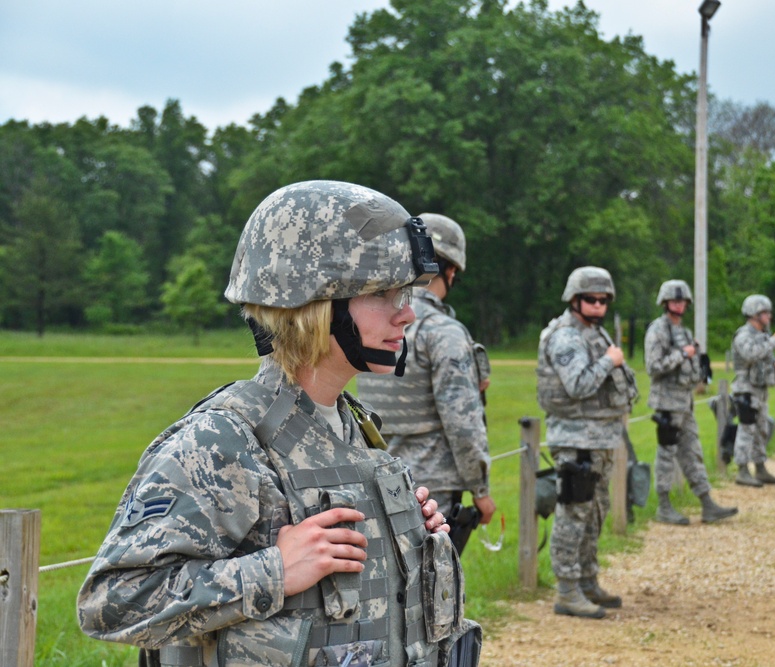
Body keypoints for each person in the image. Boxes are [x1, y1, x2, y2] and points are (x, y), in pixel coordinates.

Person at [78, 181, 481, 667]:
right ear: (315, 304)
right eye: (387, 294)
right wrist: (274, 572)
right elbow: (111, 602)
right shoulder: (223, 442)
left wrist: (410, 542)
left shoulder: (353, 427)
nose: (408, 313)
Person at [356, 213, 495, 555]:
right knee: (435, 582)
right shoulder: (443, 332)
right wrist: (480, 489)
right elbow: (462, 423)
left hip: (378, 475)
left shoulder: (370, 320)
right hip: (433, 489)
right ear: (449, 271)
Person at [536, 266, 638, 619]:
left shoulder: (592, 331)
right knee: (574, 512)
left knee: (595, 512)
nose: (598, 306)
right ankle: (566, 590)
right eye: (591, 300)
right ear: (575, 299)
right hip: (576, 438)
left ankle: (587, 580)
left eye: (603, 300)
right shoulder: (566, 336)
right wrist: (610, 361)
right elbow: (578, 384)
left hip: (599, 437)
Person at [644, 279, 738, 524]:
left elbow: (689, 364)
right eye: (675, 301)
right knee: (666, 453)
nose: (679, 304)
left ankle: (707, 503)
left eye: (683, 300)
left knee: (692, 451)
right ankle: (663, 505)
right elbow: (653, 367)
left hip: (685, 402)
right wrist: (683, 354)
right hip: (666, 402)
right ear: (665, 302)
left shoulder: (684, 331)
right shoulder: (658, 329)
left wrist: (698, 364)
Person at [730, 294, 775, 487]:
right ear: (754, 314)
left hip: (760, 391)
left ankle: (760, 468)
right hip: (746, 390)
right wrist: (774, 341)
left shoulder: (761, 336)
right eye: (764, 312)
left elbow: (765, 358)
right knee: (747, 430)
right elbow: (751, 354)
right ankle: (742, 470)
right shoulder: (744, 335)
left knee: (762, 430)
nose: (768, 316)